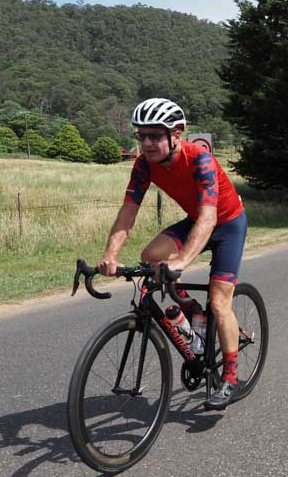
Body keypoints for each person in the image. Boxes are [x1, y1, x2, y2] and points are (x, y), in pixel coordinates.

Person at [97, 98, 247, 410]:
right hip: (196, 221)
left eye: (155, 135)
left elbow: (209, 219)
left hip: (227, 224)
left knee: (220, 304)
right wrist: (111, 254)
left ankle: (230, 377)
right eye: (142, 136)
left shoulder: (200, 160)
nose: (147, 143)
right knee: (151, 255)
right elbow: (128, 212)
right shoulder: (143, 165)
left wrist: (180, 262)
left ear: (176, 134)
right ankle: (190, 308)